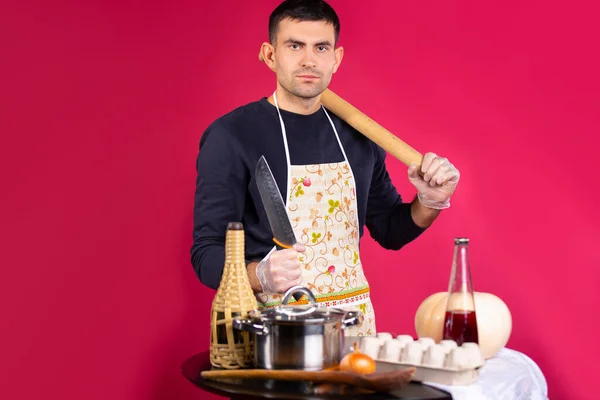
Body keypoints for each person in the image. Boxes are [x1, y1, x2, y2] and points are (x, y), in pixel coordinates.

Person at [191, 0, 460, 336]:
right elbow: (206, 252)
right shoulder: (232, 135)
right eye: (294, 46)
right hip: (273, 335)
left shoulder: (360, 135)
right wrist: (258, 275)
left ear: (336, 58)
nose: (308, 59)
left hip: (355, 332)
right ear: (271, 55)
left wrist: (430, 201)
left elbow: (391, 231)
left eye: (321, 47)